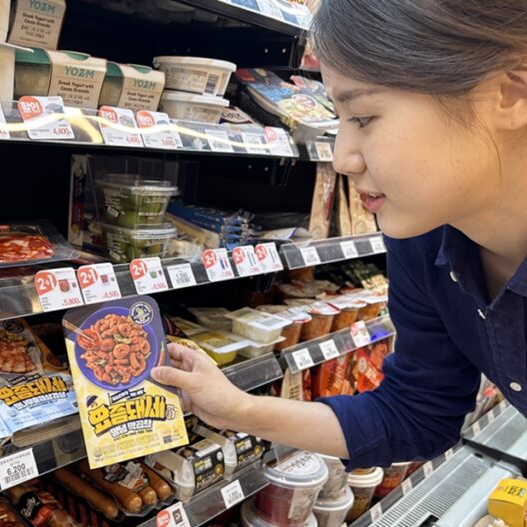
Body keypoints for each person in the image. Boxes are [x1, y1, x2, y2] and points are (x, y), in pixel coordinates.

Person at [151, 0, 527, 470]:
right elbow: (416, 414)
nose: (342, 158)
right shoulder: (424, 237)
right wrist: (235, 408)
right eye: (339, 120)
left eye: (363, 117)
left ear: (508, 95)